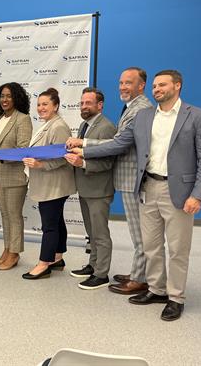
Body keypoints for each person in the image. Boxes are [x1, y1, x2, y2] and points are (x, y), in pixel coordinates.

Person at [77, 70, 201, 321]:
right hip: (147, 187)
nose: (157, 89)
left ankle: (175, 297)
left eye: (162, 85)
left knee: (177, 249)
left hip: (179, 192)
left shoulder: (197, 116)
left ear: (178, 86)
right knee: (151, 246)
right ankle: (157, 289)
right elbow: (118, 144)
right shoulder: (145, 116)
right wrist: (84, 148)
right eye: (154, 86)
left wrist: (198, 195)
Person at [67, 67, 153, 295]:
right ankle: (120, 270)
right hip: (102, 183)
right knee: (95, 232)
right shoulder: (127, 109)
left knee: (132, 234)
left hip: (123, 180)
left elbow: (116, 147)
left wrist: (83, 150)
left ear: (141, 85)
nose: (123, 86)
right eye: (121, 82)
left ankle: (108, 274)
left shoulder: (138, 110)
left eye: (128, 82)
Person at [64, 88, 117, 289]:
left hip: (99, 190)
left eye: (88, 103)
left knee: (100, 234)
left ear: (99, 105)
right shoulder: (84, 125)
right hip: (86, 187)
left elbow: (109, 162)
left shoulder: (106, 127)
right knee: (91, 232)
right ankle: (93, 265)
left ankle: (101, 274)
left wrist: (82, 164)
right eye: (82, 103)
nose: (84, 106)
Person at [22, 88, 75, 280]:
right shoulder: (47, 124)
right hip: (49, 183)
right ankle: (57, 257)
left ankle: (44, 263)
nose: (41, 108)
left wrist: (39, 164)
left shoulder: (58, 126)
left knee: (50, 225)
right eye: (39, 104)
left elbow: (63, 158)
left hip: (54, 185)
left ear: (56, 106)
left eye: (45, 104)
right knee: (57, 221)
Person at [0, 82, 32, 270]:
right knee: (5, 215)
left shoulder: (23, 119)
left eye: (9, 96)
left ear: (17, 98)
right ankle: (7, 249)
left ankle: (14, 254)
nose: (4, 100)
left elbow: (23, 149)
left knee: (14, 216)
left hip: (14, 175)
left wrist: (2, 156)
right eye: (2, 96)